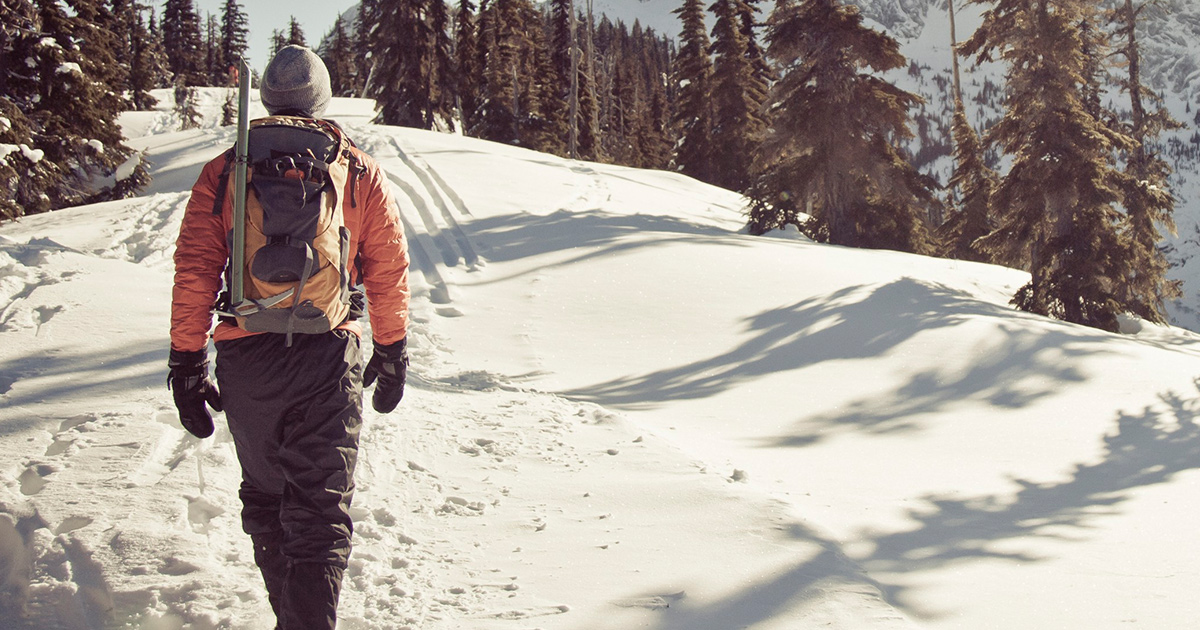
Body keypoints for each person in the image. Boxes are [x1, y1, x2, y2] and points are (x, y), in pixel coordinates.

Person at [167, 45, 410, 629]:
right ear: (323, 101)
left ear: (268, 101)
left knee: (269, 500)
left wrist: (186, 361)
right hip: (328, 352)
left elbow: (196, 267)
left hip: (246, 355)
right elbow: (387, 266)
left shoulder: (228, 170)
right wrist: (393, 348)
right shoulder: (354, 168)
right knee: (320, 513)